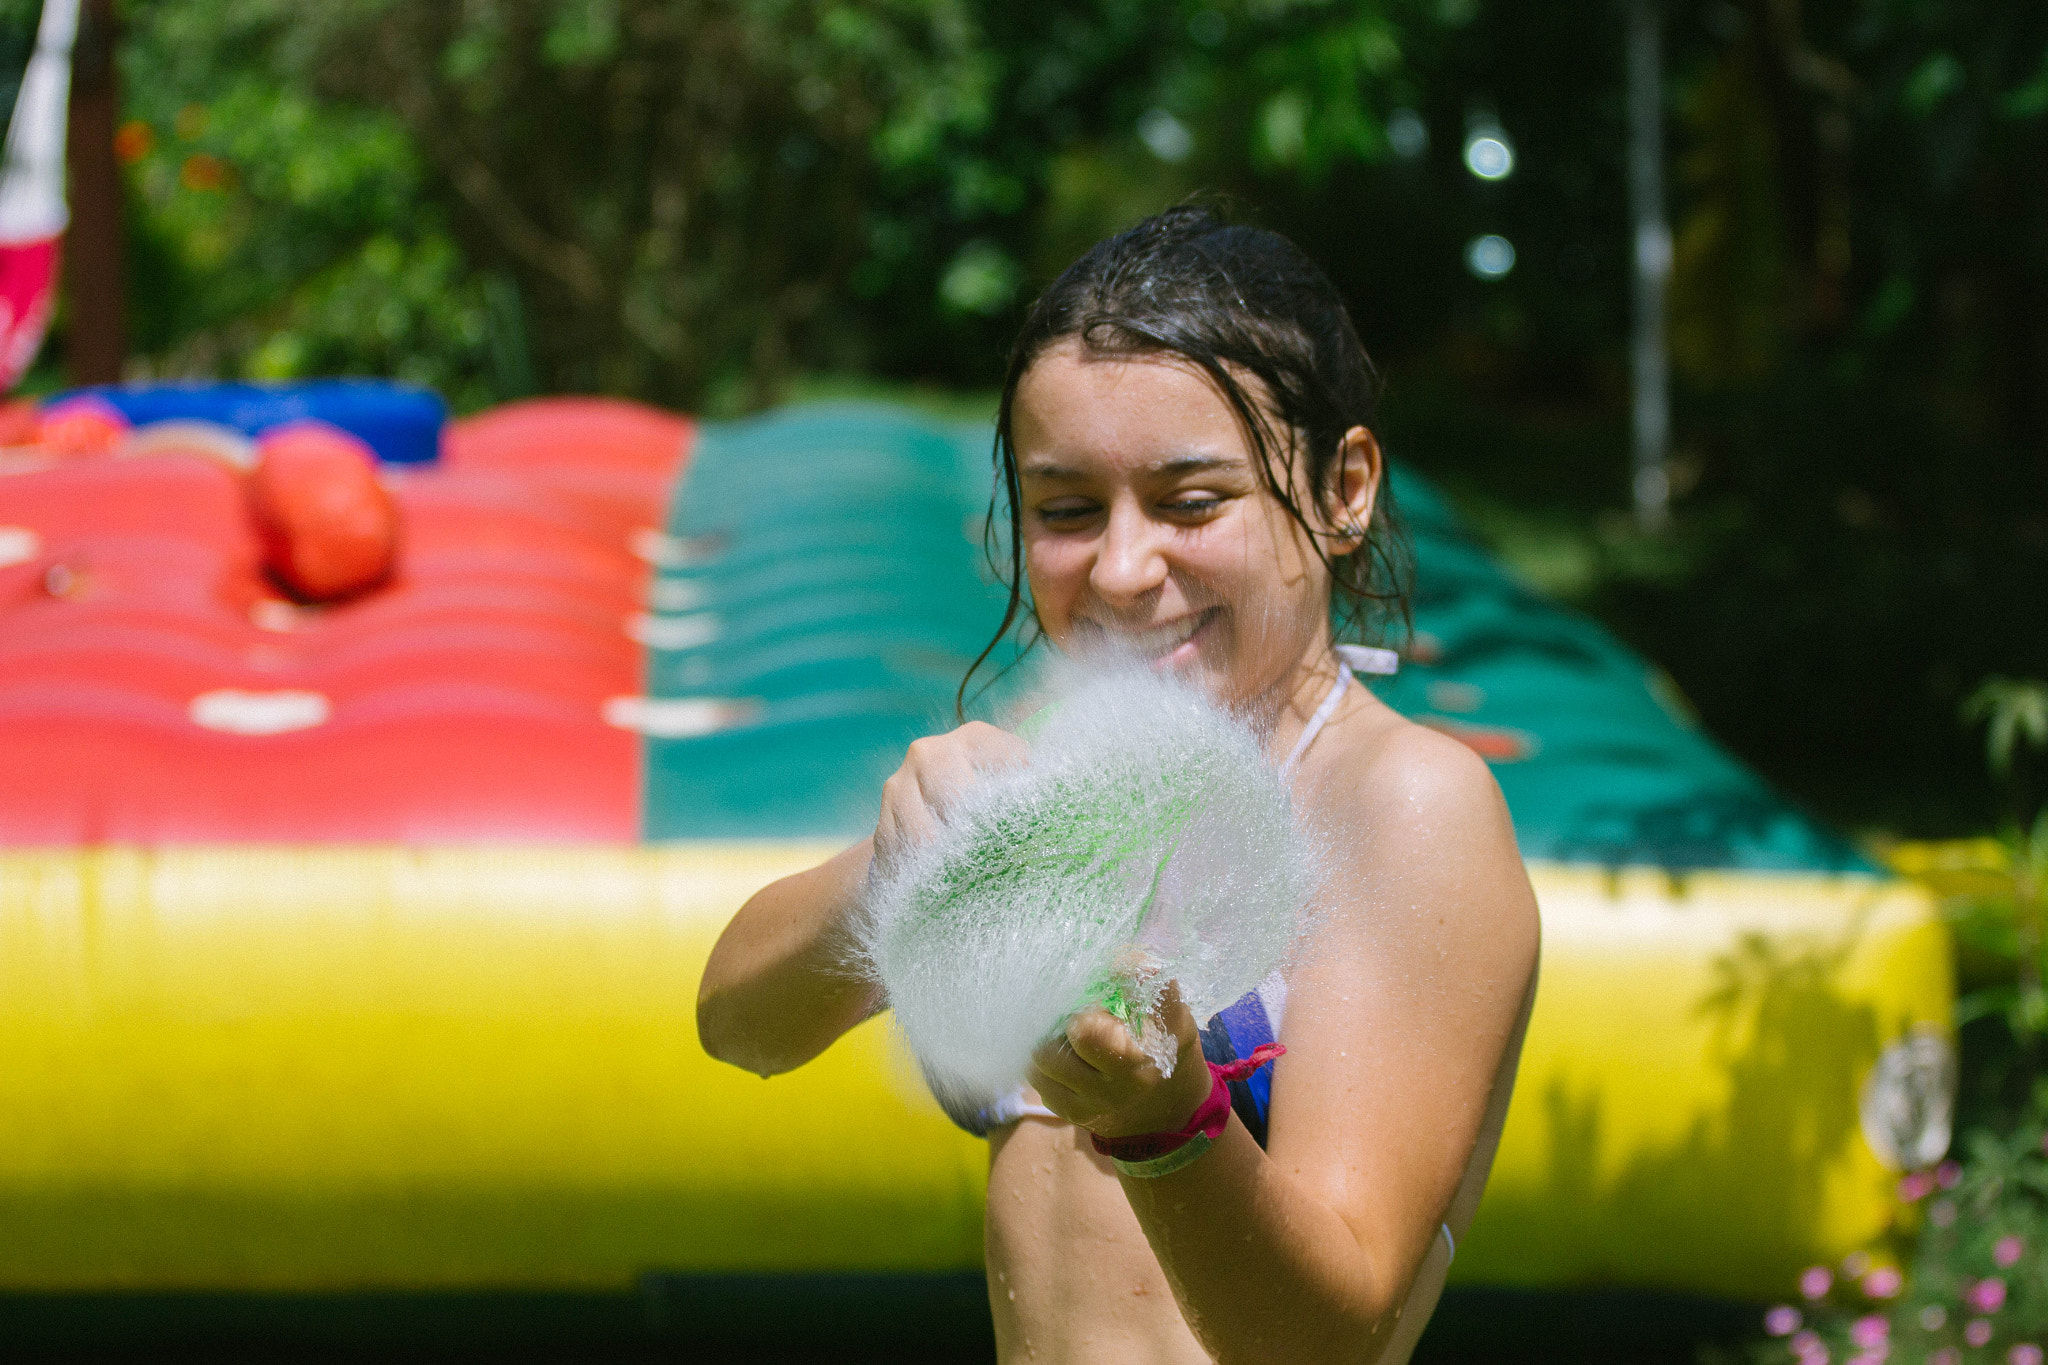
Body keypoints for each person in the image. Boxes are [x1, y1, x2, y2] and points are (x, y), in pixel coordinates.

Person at [697, 206, 1540, 1365]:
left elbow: (1326, 1336)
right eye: (1066, 510)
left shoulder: (1396, 804)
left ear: (1343, 490)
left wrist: (1163, 1121)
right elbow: (738, 1023)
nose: (1123, 569)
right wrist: (894, 877)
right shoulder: (1068, 772)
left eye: (1192, 503)